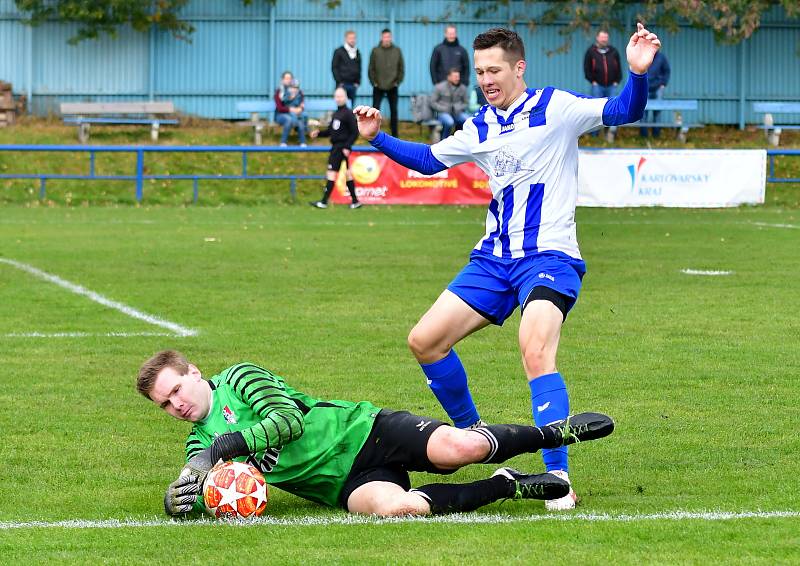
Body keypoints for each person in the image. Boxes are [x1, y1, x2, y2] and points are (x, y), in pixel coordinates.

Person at [353, 24, 659, 510]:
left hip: (549, 256)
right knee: (425, 341)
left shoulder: (556, 108)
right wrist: (377, 137)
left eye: (494, 70)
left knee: (534, 348)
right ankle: (475, 435)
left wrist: (637, 73)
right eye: (479, 72)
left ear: (519, 68)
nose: (486, 80)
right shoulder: (481, 125)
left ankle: (556, 477)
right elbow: (430, 161)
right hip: (494, 258)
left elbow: (624, 110)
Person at [138, 350, 614, 517]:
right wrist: (179, 500)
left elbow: (288, 421)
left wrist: (227, 447)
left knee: (461, 447)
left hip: (366, 431)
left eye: (177, 389)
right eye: (166, 403)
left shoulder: (240, 378)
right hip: (343, 486)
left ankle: (553, 433)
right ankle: (509, 484)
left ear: (195, 373)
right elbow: (196, 484)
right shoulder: (198, 444)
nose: (177, 404)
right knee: (398, 509)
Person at [309, 87, 361, 209]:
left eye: (341, 96)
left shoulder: (348, 113)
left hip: (341, 148)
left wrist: (347, 146)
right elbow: (331, 131)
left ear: (346, 97)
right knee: (347, 174)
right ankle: (355, 201)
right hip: (336, 147)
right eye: (336, 96)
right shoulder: (336, 113)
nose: (338, 99)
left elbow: (355, 132)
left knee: (331, 173)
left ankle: (324, 202)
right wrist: (319, 133)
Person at [583, 30, 622, 137]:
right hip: (597, 86)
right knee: (596, 110)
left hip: (611, 86)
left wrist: (616, 81)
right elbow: (587, 68)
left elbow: (618, 67)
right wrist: (593, 81)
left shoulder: (613, 51)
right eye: (602, 37)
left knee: (613, 109)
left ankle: (610, 134)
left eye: (606, 37)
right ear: (597, 38)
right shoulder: (591, 51)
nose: (604, 39)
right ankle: (594, 134)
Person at [368, 29, 404, 137]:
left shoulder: (397, 50)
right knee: (374, 111)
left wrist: (397, 82)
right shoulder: (375, 51)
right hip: (378, 86)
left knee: (394, 111)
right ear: (381, 37)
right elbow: (371, 69)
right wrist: (374, 82)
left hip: (393, 86)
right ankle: (373, 134)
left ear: (391, 38)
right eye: (385, 37)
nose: (387, 39)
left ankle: (395, 135)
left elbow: (401, 68)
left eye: (388, 37)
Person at [640, 50, 671, 138]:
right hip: (644, 88)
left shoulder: (661, 57)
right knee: (643, 112)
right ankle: (643, 135)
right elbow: (635, 70)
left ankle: (656, 135)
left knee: (657, 112)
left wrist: (663, 83)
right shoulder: (642, 56)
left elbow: (667, 71)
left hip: (658, 88)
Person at [431, 68, 469, 139]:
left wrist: (459, 107)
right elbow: (433, 102)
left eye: (458, 76)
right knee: (449, 122)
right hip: (443, 113)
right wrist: (443, 108)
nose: (457, 79)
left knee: (467, 120)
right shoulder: (439, 87)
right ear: (449, 77)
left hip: (458, 113)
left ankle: (459, 139)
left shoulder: (462, 88)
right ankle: (444, 140)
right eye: (455, 77)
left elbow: (466, 103)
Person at [274, 72, 307, 147]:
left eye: (290, 78)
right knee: (289, 120)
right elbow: (280, 108)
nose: (288, 80)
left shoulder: (298, 91)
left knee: (300, 120)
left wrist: (300, 109)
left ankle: (303, 142)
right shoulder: (279, 91)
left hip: (295, 114)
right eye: (286, 78)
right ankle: (283, 142)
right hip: (280, 115)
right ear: (282, 80)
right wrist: (291, 109)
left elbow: (302, 103)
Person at [332, 30, 362, 106]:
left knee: (351, 107)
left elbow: (359, 67)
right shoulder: (339, 51)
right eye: (350, 38)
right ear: (346, 39)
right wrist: (339, 82)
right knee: (341, 106)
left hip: (353, 85)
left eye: (354, 38)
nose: (352, 40)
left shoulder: (357, 52)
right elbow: (334, 67)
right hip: (342, 84)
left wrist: (358, 82)